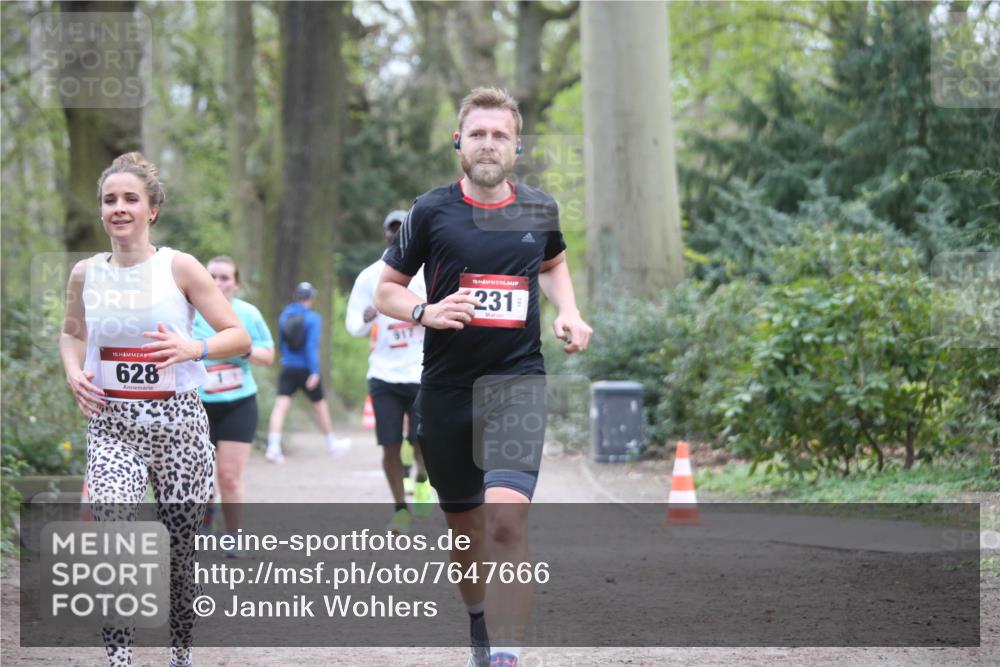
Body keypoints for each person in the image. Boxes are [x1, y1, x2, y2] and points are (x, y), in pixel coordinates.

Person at [375, 87, 592, 667]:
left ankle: (508, 653)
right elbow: (386, 291)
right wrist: (425, 311)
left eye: (499, 135)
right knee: (466, 530)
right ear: (459, 144)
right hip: (446, 390)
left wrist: (568, 311)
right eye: (478, 134)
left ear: (516, 146)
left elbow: (553, 263)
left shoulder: (539, 209)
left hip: (517, 380)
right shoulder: (430, 211)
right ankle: (478, 624)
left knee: (507, 517)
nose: (488, 144)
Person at [59, 152, 251, 667]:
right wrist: (75, 371)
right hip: (113, 427)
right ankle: (119, 660)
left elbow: (238, 336)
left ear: (152, 210)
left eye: (129, 199)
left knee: (179, 557)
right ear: (101, 210)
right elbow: (71, 335)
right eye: (109, 200)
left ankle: (179, 656)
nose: (118, 208)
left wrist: (196, 348)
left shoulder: (179, 267)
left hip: (179, 428)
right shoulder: (85, 273)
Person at [346, 209, 433, 534]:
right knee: (390, 444)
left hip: (423, 372)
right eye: (392, 229)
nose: (397, 234)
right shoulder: (370, 276)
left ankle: (422, 479)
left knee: (423, 441)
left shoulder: (428, 272)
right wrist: (369, 317)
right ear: (385, 234)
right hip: (384, 375)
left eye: (404, 228)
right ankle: (400, 507)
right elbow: (352, 325)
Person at [193, 256, 274, 554]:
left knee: (228, 474)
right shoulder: (190, 312)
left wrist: (243, 349)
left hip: (239, 403)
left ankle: (234, 535)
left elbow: (269, 356)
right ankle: (203, 521)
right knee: (199, 475)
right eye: (212, 276)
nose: (218, 283)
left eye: (225, 277)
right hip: (197, 405)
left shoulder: (248, 314)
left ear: (236, 284)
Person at [265, 281, 350, 462]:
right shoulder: (313, 318)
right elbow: (312, 346)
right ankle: (331, 443)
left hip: (288, 367)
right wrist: (314, 371)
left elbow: (280, 343)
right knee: (320, 406)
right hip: (306, 369)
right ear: (310, 299)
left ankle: (273, 447)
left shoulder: (284, 316)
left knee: (280, 407)